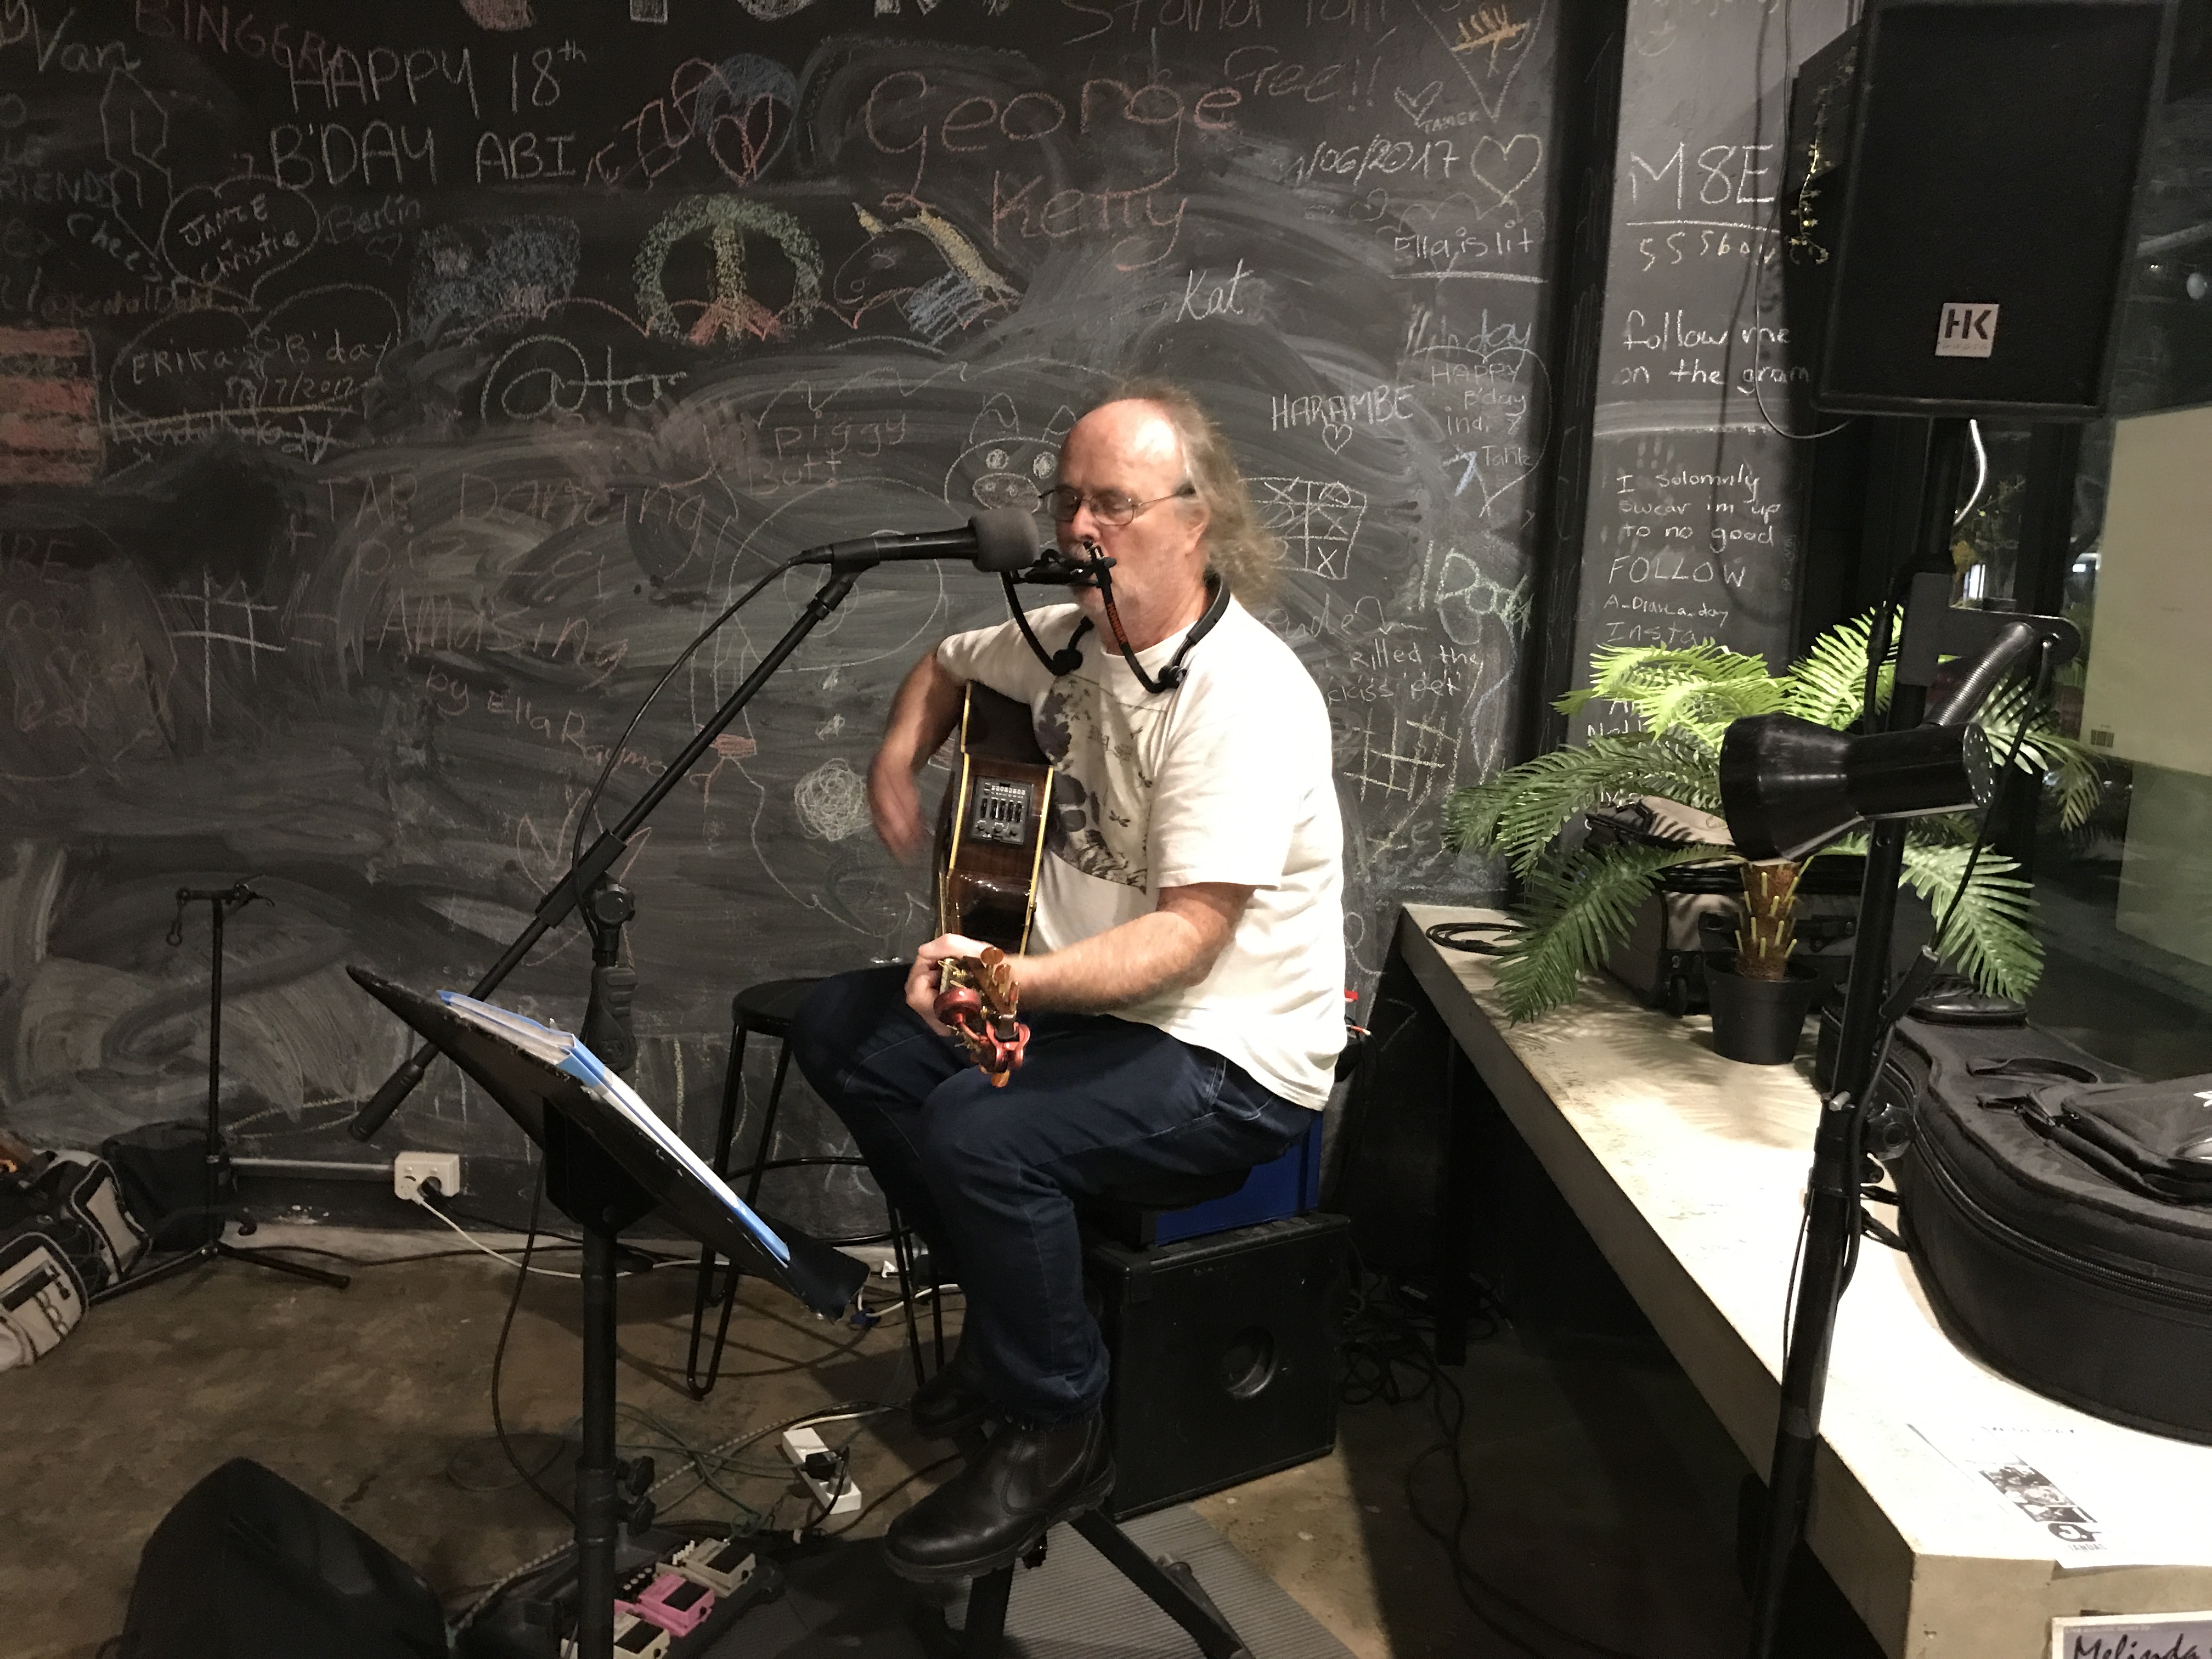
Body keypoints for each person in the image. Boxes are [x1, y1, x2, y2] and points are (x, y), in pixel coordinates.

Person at [789, 380, 1344, 1582]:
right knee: (841, 1028)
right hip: (1098, 1012)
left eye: (1115, 505)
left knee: (976, 1131)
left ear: (1195, 521)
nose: (1081, 528)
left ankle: (1058, 1422)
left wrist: (1006, 981)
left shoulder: (1244, 698)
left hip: (1227, 1049)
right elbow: (945, 666)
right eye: (1067, 501)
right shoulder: (1060, 642)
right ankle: (1015, 1324)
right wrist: (897, 756)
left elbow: (1190, 939)